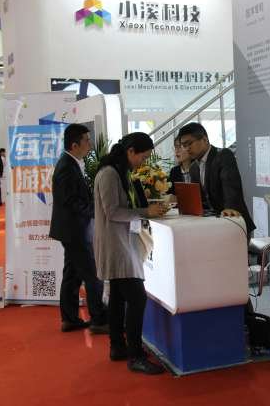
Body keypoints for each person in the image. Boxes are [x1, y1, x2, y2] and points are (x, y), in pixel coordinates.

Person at [94, 132, 167, 375]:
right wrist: (145, 212)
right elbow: (113, 211)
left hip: (122, 241)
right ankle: (135, 355)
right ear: (131, 151)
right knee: (137, 298)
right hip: (116, 244)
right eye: (142, 157)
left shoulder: (119, 171)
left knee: (117, 297)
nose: (142, 163)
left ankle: (118, 346)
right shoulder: (109, 174)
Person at [49, 124, 108, 334]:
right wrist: (96, 211)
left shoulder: (71, 163)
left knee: (72, 274)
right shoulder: (67, 166)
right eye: (87, 140)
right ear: (75, 145)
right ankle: (99, 320)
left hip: (72, 229)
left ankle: (69, 318)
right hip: (74, 230)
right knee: (92, 274)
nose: (90, 144)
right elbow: (71, 201)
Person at [177, 122, 255, 235]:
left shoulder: (223, 155)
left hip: (235, 222)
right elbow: (200, 200)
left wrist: (229, 208)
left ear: (204, 139)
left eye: (190, 143)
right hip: (214, 226)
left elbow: (231, 187)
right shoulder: (194, 168)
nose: (187, 148)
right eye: (184, 145)